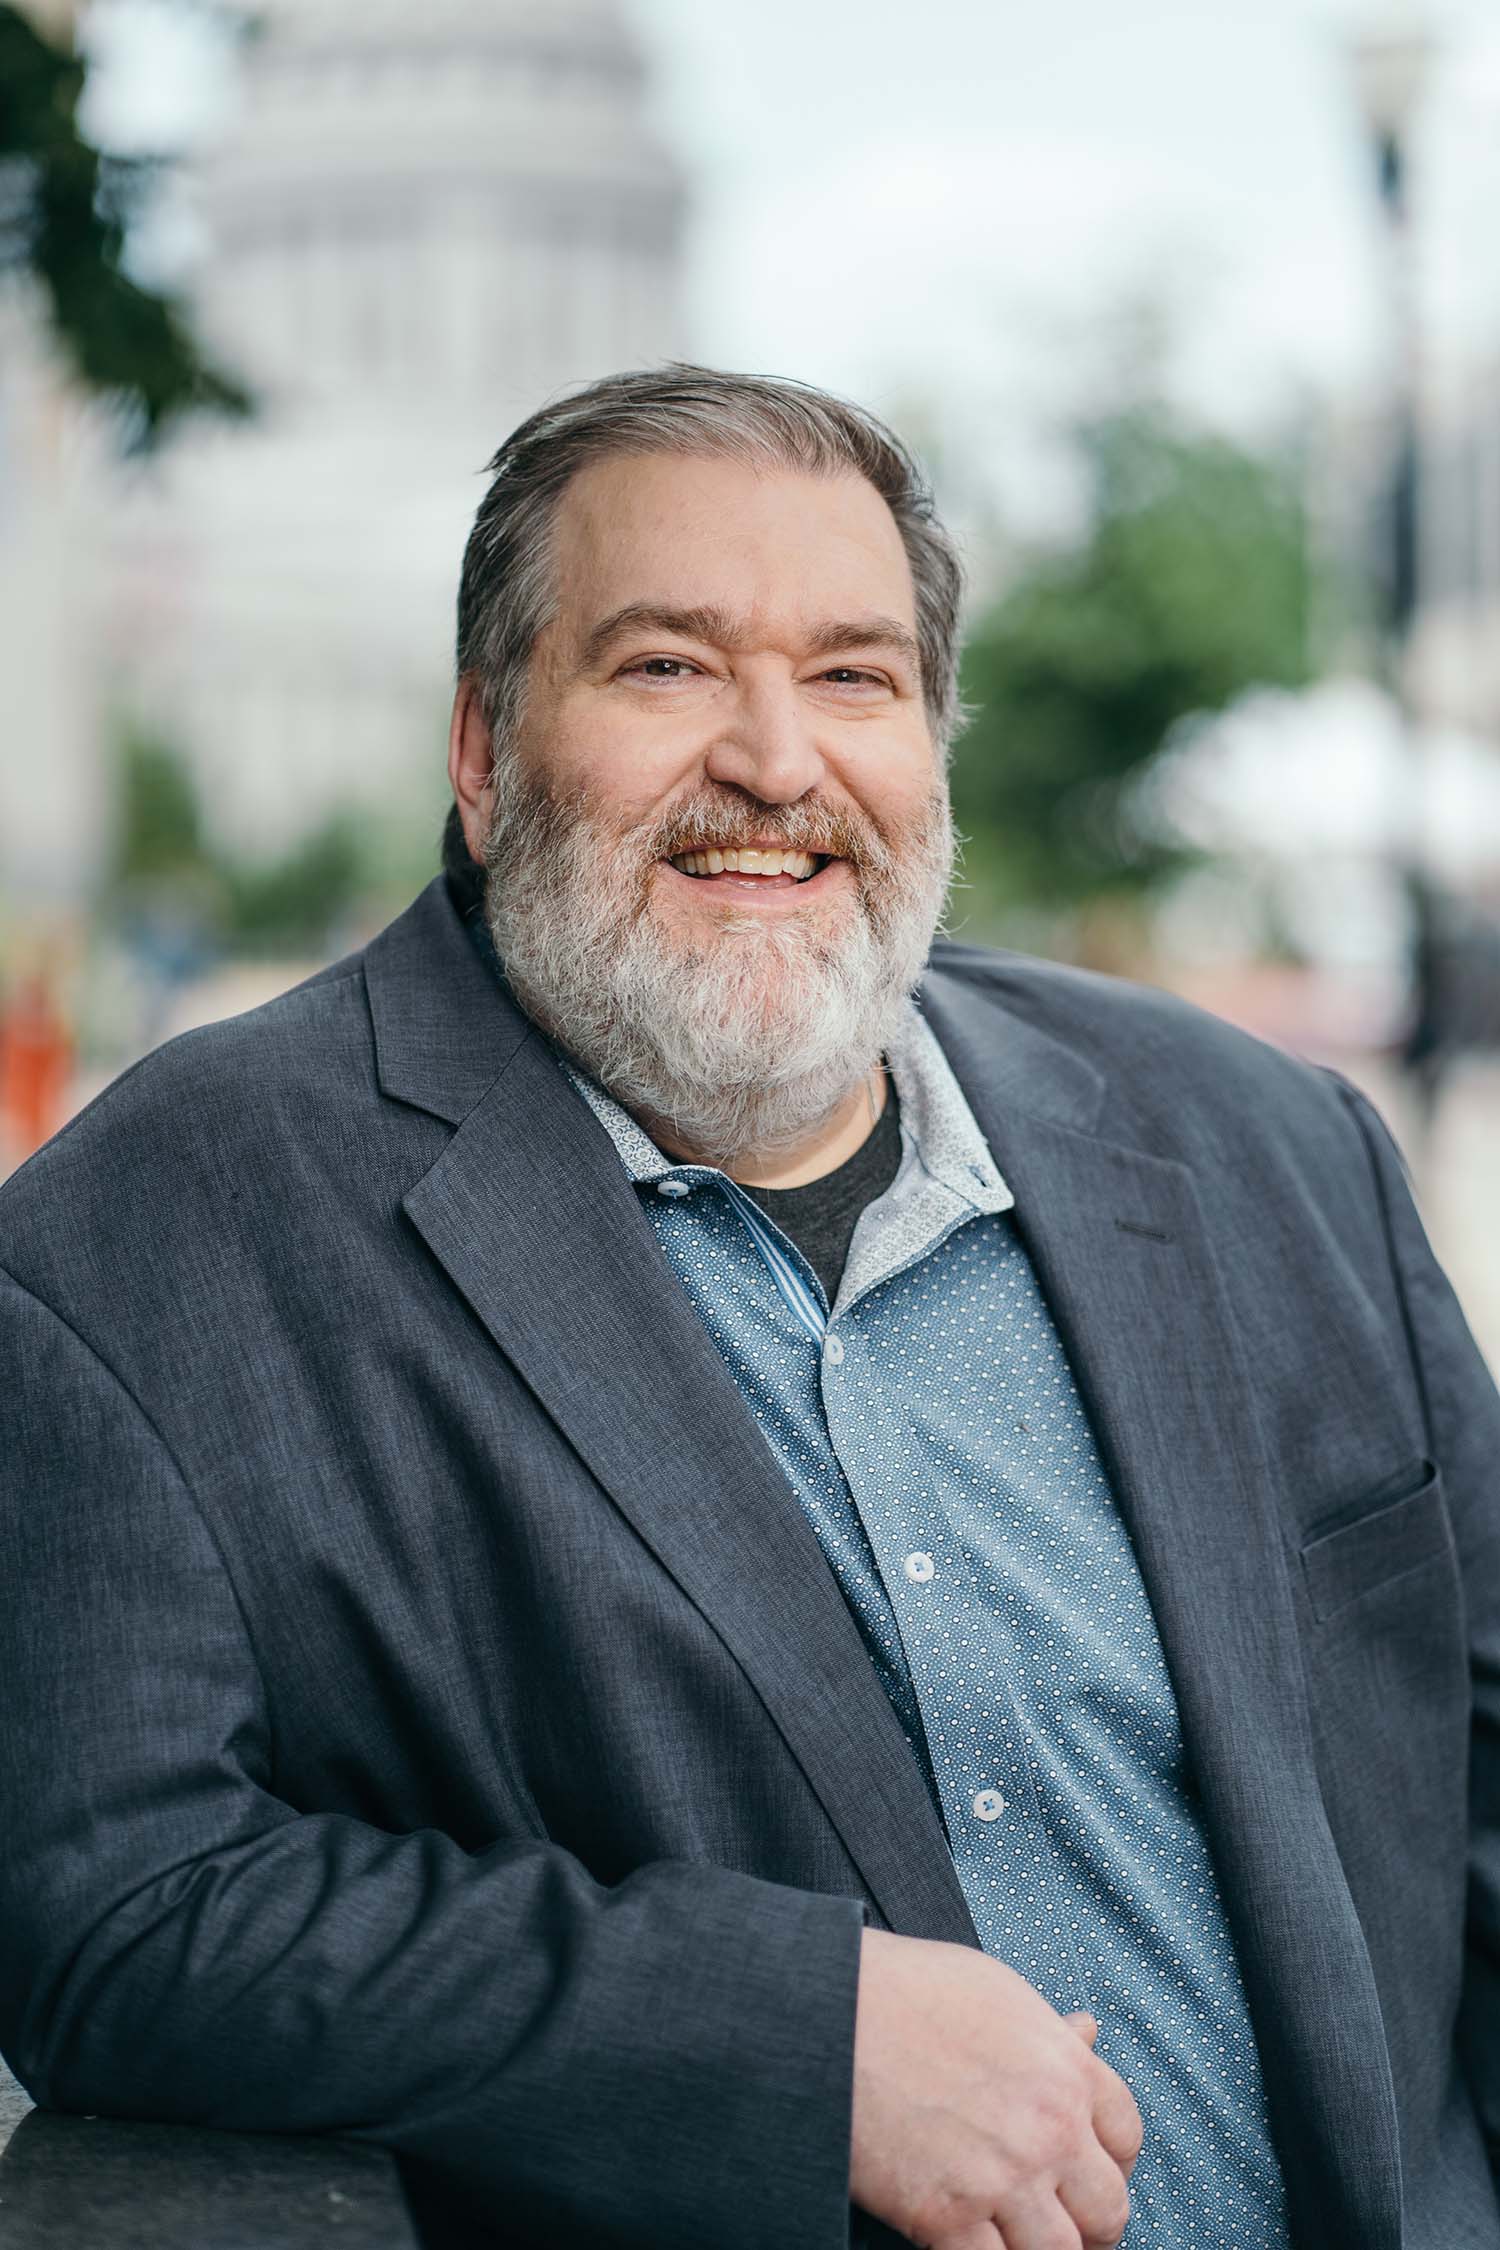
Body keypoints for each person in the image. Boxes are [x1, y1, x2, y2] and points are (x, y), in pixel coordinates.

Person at [0, 365, 1495, 2250]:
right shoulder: (158, 1234)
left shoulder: (1274, 1149)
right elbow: (116, 1910)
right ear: (483, 749)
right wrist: (789, 2040)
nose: (778, 762)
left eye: (855, 675)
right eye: (668, 668)